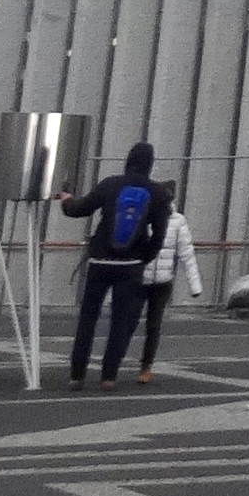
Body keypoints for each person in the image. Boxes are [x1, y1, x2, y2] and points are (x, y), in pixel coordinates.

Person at [62, 140, 170, 389]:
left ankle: (77, 375)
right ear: (150, 164)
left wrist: (66, 200)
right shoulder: (157, 193)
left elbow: (80, 209)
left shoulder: (110, 184)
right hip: (131, 265)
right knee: (120, 322)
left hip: (100, 260)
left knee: (88, 318)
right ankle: (108, 377)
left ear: (128, 160)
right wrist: (145, 257)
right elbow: (160, 234)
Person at [137, 183, 203, 382]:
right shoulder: (145, 216)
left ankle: (146, 366)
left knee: (153, 325)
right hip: (141, 278)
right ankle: (117, 363)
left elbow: (186, 253)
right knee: (129, 322)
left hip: (161, 281)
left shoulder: (178, 221)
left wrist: (195, 284)